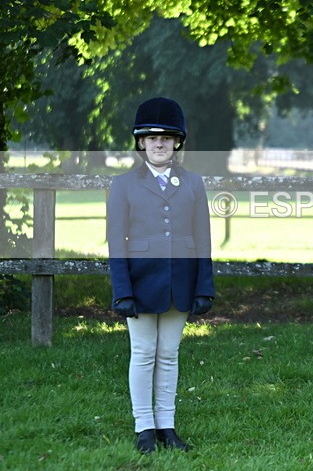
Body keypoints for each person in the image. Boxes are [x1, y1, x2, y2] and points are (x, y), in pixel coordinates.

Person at [107, 97, 215, 454]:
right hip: (139, 284)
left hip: (181, 284)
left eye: (166, 138)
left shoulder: (194, 183)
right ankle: (144, 428)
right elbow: (116, 244)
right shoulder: (122, 185)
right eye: (151, 138)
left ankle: (167, 425)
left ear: (177, 143)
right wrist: (121, 290)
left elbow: (203, 240)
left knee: (169, 354)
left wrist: (204, 287)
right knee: (143, 353)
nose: (159, 143)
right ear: (140, 142)